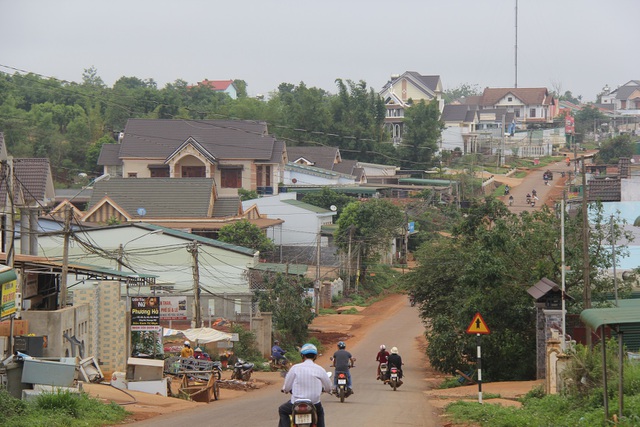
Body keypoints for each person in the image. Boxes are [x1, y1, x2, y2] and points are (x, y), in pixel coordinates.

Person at [278, 343, 332, 427]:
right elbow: (329, 387)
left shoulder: (295, 368)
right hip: (314, 403)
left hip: (295, 404)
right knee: (320, 413)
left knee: (282, 410)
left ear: (302, 355)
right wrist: (327, 390)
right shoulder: (320, 369)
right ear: (315, 356)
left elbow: (287, 387)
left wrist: (285, 390)